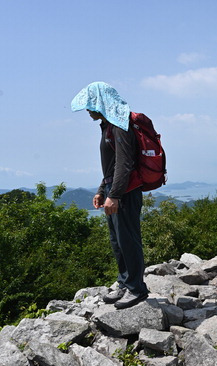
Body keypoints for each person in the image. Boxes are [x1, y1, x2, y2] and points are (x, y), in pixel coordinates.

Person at [71, 82, 148, 309]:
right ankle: (125, 282)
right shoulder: (108, 125)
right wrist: (101, 190)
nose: (87, 110)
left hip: (125, 192)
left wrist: (114, 195)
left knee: (128, 240)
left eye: (89, 105)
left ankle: (136, 289)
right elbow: (112, 166)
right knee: (117, 241)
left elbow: (125, 164)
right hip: (115, 190)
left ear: (99, 103)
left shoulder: (120, 125)